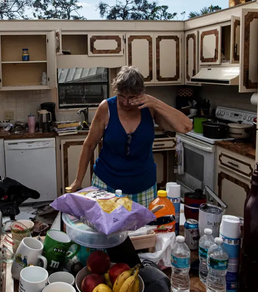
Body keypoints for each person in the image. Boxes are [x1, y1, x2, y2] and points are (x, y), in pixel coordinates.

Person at [66, 66, 193, 207]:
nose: (126, 102)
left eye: (131, 97)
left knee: (142, 228)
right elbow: (89, 145)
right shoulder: (106, 108)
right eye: (122, 96)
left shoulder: (149, 108)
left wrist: (155, 103)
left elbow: (185, 126)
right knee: (108, 227)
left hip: (143, 187)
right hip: (106, 184)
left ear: (141, 94)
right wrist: (78, 181)